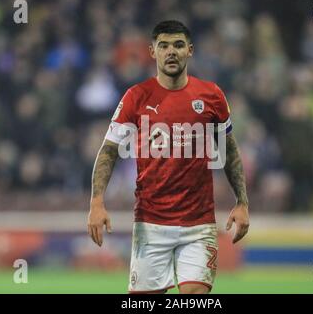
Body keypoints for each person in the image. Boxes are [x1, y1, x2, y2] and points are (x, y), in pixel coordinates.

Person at [87, 20, 250, 294]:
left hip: (198, 225)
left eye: (178, 45)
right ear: (152, 52)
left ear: (190, 50)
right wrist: (96, 202)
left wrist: (242, 202)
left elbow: (229, 150)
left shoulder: (211, 96)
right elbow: (109, 150)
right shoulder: (135, 97)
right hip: (150, 225)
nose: (171, 51)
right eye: (163, 46)